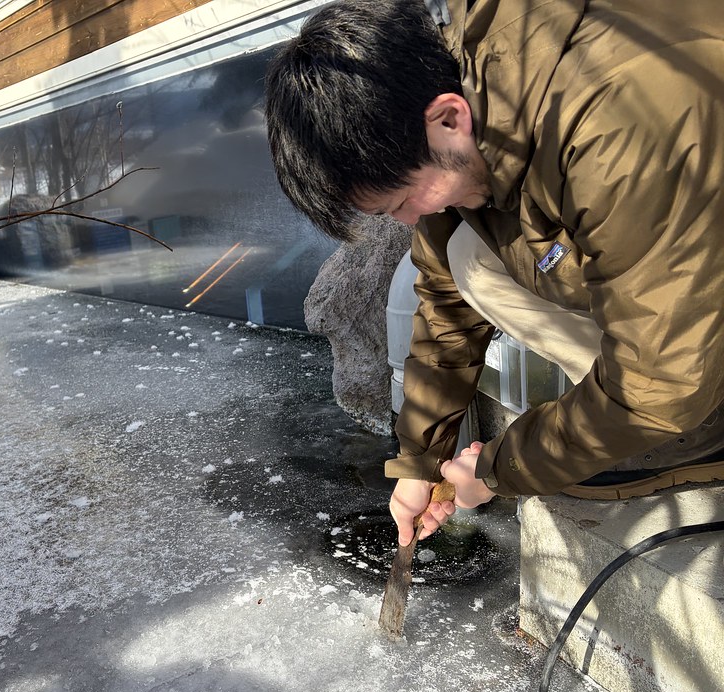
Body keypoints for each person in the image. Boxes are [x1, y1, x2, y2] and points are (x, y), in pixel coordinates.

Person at [264, 0, 724, 546]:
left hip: (687, 261)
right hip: (679, 263)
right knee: (468, 255)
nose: (408, 221)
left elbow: (664, 376)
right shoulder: (461, 96)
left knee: (661, 387)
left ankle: (696, 426)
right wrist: (420, 460)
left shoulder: (617, 129)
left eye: (402, 201)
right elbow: (443, 300)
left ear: (449, 118)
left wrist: (500, 470)